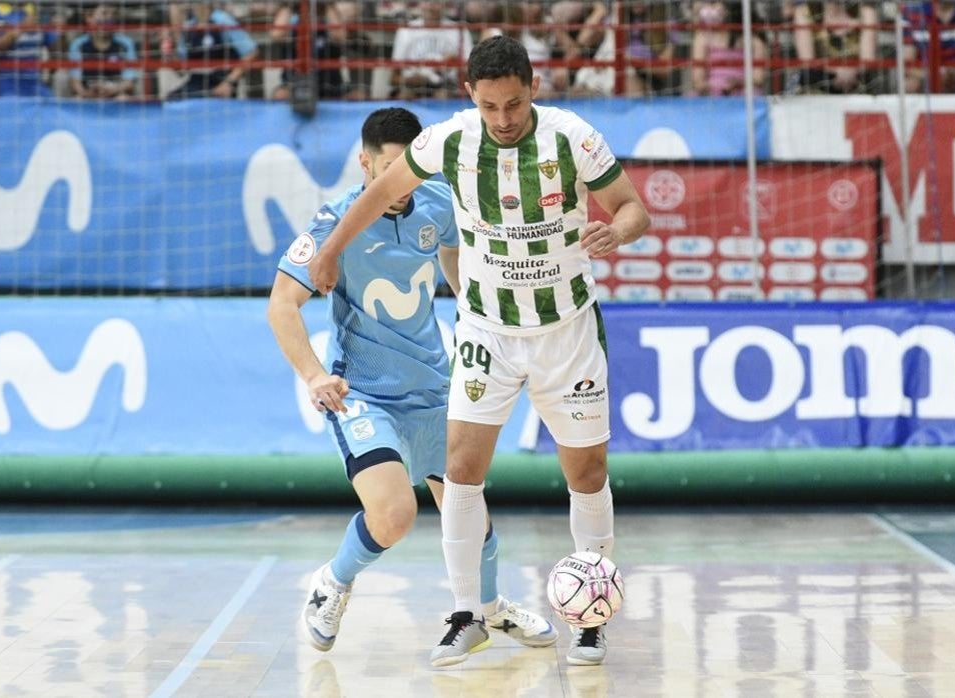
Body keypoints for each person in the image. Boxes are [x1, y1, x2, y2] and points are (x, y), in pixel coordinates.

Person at [306, 36, 650, 667]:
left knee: (587, 474)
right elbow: (378, 194)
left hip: (565, 331)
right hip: (486, 332)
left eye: (514, 104)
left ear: (534, 88)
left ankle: (591, 619)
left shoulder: (573, 137)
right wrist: (329, 252)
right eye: (490, 106)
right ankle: (468, 614)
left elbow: (633, 208)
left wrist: (615, 230)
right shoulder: (448, 141)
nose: (503, 119)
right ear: (471, 96)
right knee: (460, 471)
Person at [267, 107, 557, 657]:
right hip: (365, 394)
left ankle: (489, 612)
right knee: (395, 514)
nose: (402, 185)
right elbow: (282, 305)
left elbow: (451, 243)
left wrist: (475, 311)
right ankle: (332, 582)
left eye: (412, 171)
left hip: (434, 386)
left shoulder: (436, 199)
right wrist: (312, 374)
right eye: (391, 170)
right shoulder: (337, 222)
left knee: (471, 515)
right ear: (365, 163)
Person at [164, 3, 257, 100]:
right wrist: (169, 56)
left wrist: (229, 82)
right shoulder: (189, 25)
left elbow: (251, 52)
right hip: (195, 82)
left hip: (219, 81)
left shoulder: (222, 19)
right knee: (171, 99)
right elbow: (182, 70)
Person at [790, 0, 878, 95]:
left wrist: (850, 71)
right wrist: (840, 71)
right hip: (816, 89)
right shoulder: (804, 12)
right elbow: (807, 62)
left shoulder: (866, 13)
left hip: (856, 89)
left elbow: (868, 62)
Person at [67, 3, 139, 100]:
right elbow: (75, 81)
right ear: (89, 18)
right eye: (105, 13)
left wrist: (113, 90)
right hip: (89, 94)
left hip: (116, 93)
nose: (109, 18)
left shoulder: (125, 43)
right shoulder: (78, 45)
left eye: (113, 14)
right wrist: (86, 93)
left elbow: (129, 82)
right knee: (77, 99)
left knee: (123, 98)